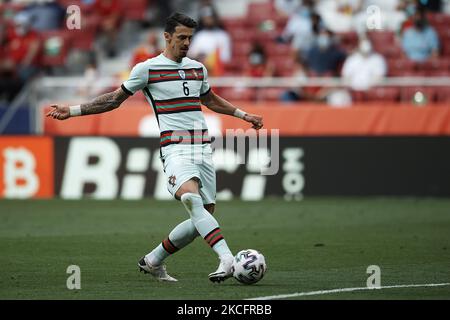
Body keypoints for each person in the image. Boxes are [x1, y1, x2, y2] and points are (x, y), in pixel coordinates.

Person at [47, 12, 263, 283]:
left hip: (202, 147)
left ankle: (153, 261)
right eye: (181, 37)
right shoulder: (146, 69)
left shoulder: (198, 68)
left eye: (189, 38)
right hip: (175, 146)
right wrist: (74, 110)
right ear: (167, 37)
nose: (186, 43)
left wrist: (244, 115)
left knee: (204, 217)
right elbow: (114, 100)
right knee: (188, 197)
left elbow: (210, 100)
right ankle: (227, 258)